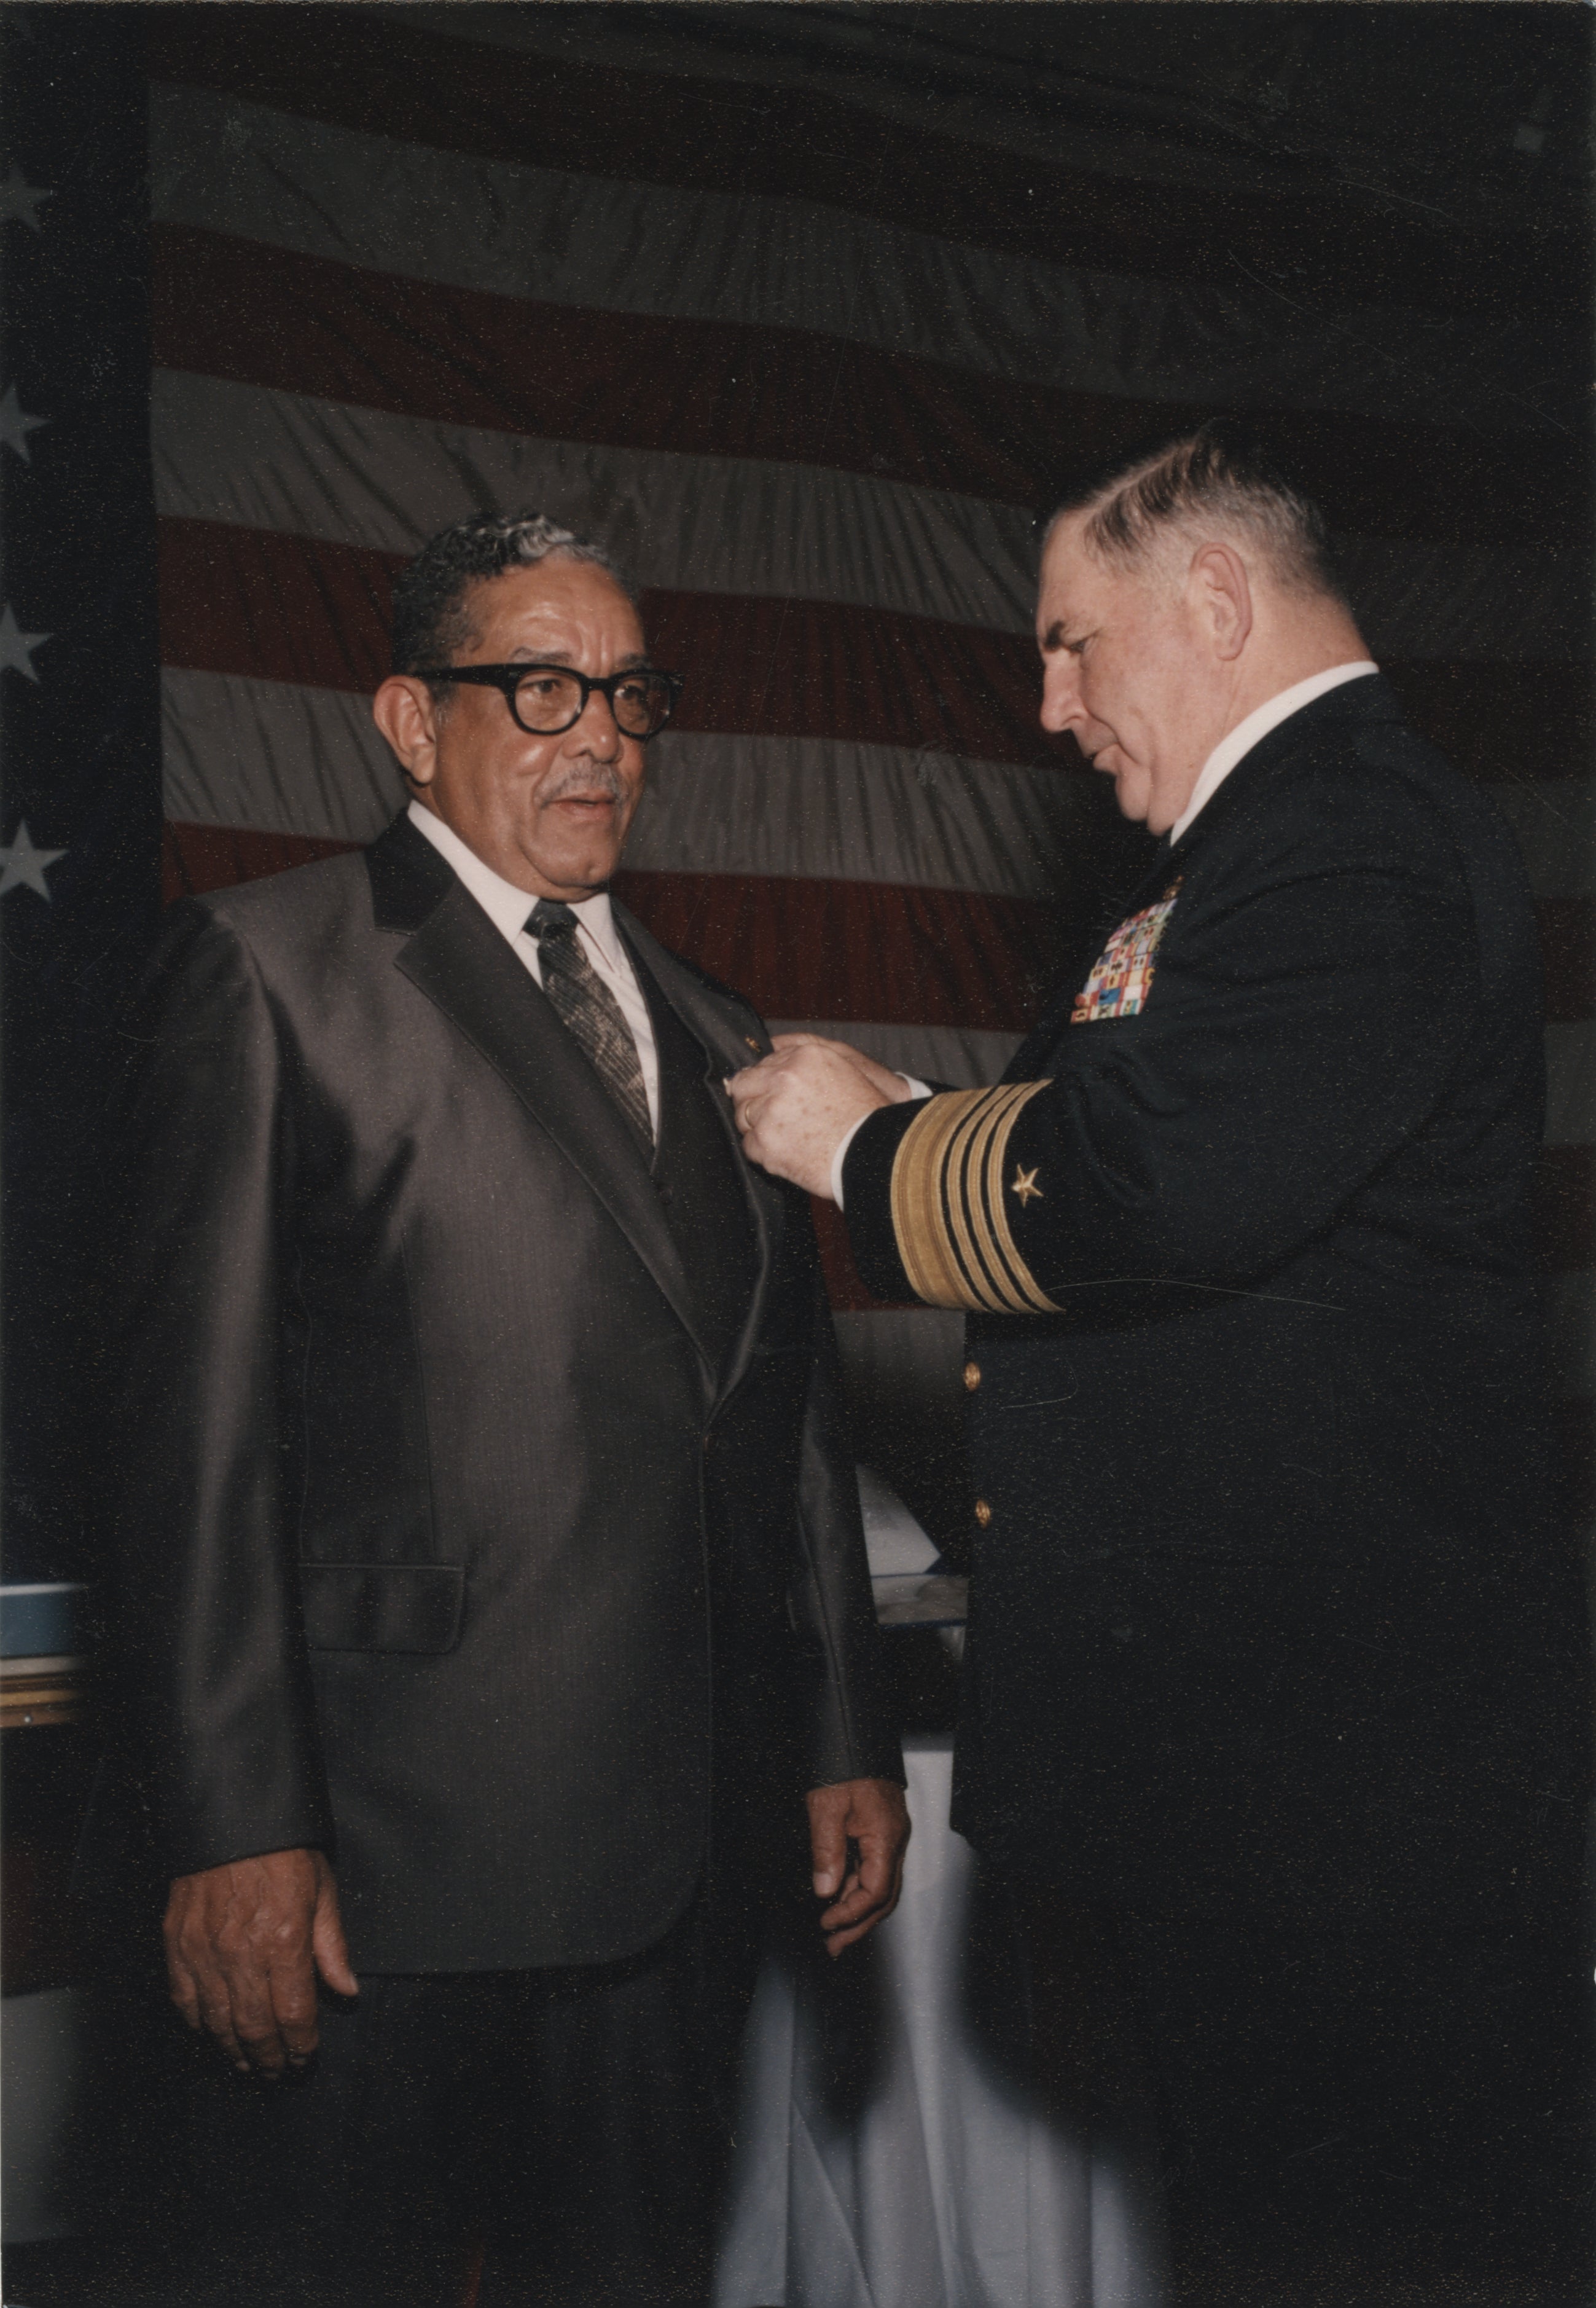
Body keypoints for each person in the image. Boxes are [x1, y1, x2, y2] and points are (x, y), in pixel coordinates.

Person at [729, 425, 1592, 2303]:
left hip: (1347, 1796)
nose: (1050, 705)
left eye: (1070, 642)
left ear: (1212, 598)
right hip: (1264, 1768)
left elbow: (1162, 1179)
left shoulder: (1346, 825)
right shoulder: (1253, 852)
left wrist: (871, 1147)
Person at [93, 511, 908, 2308]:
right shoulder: (268, 969)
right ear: (407, 717)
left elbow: (786, 1419)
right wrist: (234, 1826)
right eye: (539, 686)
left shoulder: (719, 1030)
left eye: (628, 693)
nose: (598, 734)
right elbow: (188, 1455)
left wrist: (840, 1721)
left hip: (684, 1879)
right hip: (379, 1881)